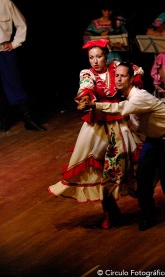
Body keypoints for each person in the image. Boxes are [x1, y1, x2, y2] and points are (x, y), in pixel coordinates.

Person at [79, 61, 165, 231]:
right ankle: (147, 213)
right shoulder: (128, 98)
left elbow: (120, 109)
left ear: (131, 79)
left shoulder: (138, 97)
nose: (119, 79)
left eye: (123, 76)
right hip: (153, 139)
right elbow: (134, 123)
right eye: (117, 76)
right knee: (142, 176)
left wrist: (94, 105)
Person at [48, 39, 144, 229]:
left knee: (132, 163)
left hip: (118, 120)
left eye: (99, 56)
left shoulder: (116, 67)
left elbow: (136, 71)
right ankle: (110, 211)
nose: (95, 61)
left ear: (106, 56)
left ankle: (145, 206)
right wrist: (85, 99)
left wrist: (128, 85)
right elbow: (86, 87)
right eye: (91, 57)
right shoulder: (87, 73)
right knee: (99, 170)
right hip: (97, 126)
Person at [0, 0, 46, 132]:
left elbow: (21, 23)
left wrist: (14, 43)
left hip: (4, 51)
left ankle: (28, 120)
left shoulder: (5, 2)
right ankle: (3, 121)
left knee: (15, 84)